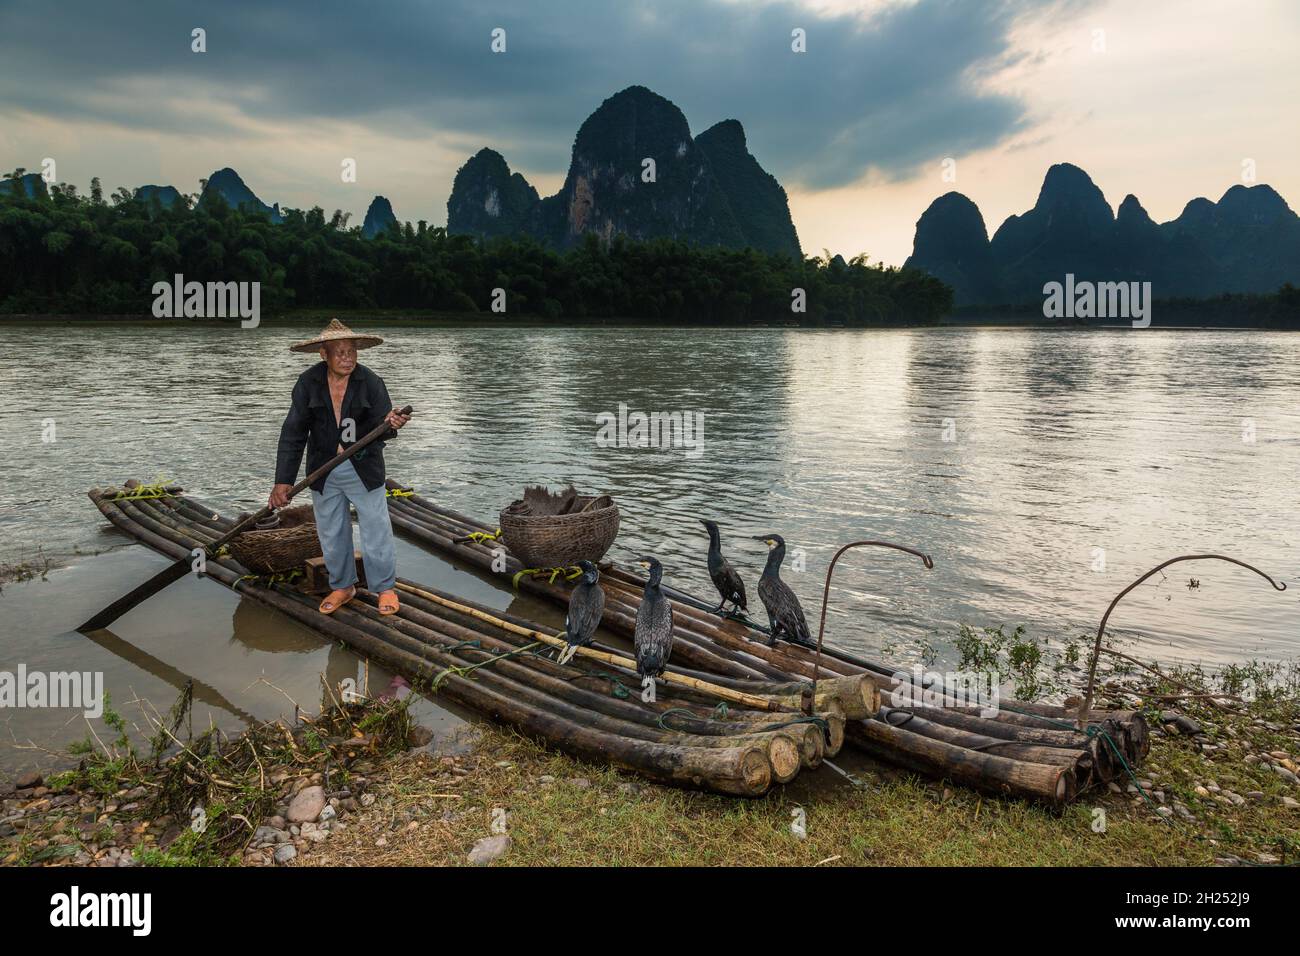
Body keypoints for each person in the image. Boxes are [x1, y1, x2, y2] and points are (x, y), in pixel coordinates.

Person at [271, 319, 411, 615]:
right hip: (323, 470)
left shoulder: (371, 382)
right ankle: (343, 585)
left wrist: (392, 423)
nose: (347, 358)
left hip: (363, 468)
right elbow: (294, 432)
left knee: (376, 528)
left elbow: (382, 428)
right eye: (340, 353)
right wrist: (283, 481)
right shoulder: (308, 383)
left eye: (351, 351)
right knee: (331, 530)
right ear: (324, 354)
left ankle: (384, 588)